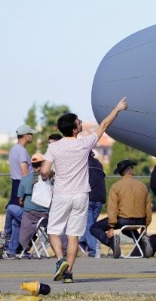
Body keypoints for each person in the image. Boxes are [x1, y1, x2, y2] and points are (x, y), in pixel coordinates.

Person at [40, 97, 127, 283]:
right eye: (78, 122)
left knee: (53, 230)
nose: (80, 123)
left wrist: (48, 175)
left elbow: (45, 171)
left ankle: (59, 260)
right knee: (73, 235)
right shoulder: (84, 144)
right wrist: (117, 108)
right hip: (81, 195)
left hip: (62, 194)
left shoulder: (53, 147)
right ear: (74, 129)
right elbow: (104, 124)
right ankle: (69, 273)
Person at [90, 159, 152, 259]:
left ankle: (112, 243)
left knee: (94, 228)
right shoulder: (142, 186)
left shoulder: (116, 187)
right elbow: (148, 208)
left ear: (121, 173)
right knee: (126, 230)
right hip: (140, 220)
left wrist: (111, 227)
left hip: (123, 220)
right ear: (130, 170)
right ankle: (142, 243)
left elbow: (112, 209)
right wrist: (145, 226)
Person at [0, 125, 36, 254]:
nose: (32, 136)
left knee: (15, 219)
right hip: (22, 185)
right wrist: (27, 191)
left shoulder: (14, 149)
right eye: (31, 134)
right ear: (25, 135)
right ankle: (8, 235)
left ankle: (12, 248)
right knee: (17, 214)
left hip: (15, 184)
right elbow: (24, 171)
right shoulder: (22, 151)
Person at [17, 153, 51, 256]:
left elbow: (20, 201)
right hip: (47, 218)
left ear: (32, 165)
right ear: (44, 163)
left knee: (13, 215)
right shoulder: (52, 179)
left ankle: (17, 248)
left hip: (30, 217)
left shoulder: (25, 179)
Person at [81, 151, 106, 257]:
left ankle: (93, 250)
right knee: (92, 225)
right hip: (100, 198)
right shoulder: (99, 164)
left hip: (88, 197)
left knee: (89, 226)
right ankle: (84, 243)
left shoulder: (83, 164)